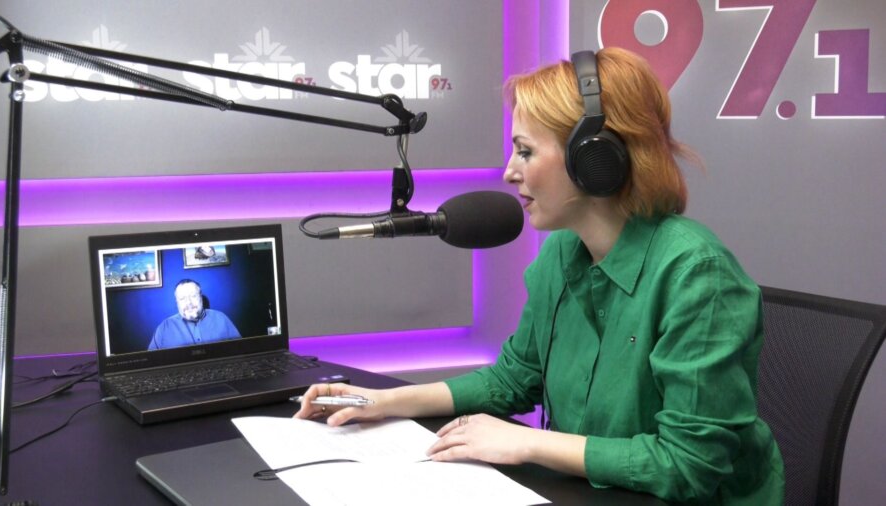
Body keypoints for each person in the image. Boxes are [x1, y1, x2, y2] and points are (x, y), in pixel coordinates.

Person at [294, 47, 785, 504]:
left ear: (594, 161)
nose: (510, 172)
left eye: (525, 152)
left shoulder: (697, 275)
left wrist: (526, 443)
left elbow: (690, 464)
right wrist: (385, 401)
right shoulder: (562, 254)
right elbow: (514, 378)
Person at [148, 278, 241, 350]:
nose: (189, 303)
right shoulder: (164, 327)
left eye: (193, 296)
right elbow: (151, 361)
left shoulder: (221, 319)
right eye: (182, 299)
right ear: (177, 303)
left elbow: (240, 350)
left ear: (200, 297)